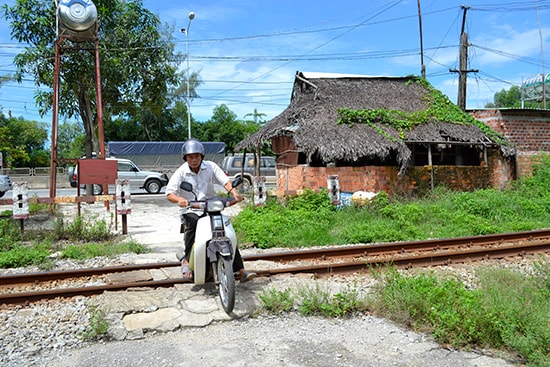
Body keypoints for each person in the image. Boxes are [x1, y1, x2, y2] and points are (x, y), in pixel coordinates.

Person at [165, 139, 256, 283]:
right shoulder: (181, 172)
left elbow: (225, 181)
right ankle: (187, 262)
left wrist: (234, 192)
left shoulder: (211, 166)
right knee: (192, 226)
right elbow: (169, 193)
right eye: (190, 157)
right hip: (191, 209)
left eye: (197, 156)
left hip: (211, 206)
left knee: (225, 231)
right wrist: (179, 200)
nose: (194, 160)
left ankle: (241, 270)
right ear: (185, 158)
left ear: (202, 156)